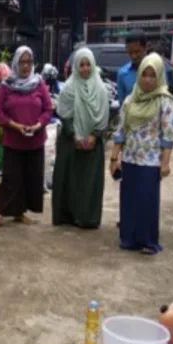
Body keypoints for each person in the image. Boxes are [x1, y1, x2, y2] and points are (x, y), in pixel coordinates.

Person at [110, 53, 173, 254]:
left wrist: (165, 163)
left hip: (151, 161)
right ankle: (129, 239)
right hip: (130, 158)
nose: (147, 80)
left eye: (152, 75)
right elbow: (121, 131)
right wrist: (114, 158)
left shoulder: (166, 101)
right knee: (129, 200)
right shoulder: (131, 100)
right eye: (144, 75)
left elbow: (168, 135)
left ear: (159, 77)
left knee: (147, 201)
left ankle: (149, 242)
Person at [0, 46, 53, 230]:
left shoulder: (38, 83)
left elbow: (48, 109)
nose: (25, 66)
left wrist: (39, 125)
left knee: (29, 178)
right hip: (14, 141)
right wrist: (15, 126)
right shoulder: (6, 85)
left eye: (28, 62)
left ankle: (19, 213)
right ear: (15, 63)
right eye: (22, 62)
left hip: (35, 140)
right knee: (10, 178)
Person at [52, 47, 109, 229]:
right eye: (81, 65)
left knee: (89, 183)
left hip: (93, 143)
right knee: (70, 180)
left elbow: (102, 116)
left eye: (87, 65)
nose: (84, 69)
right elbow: (65, 114)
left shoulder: (100, 89)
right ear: (76, 66)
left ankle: (87, 218)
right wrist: (73, 135)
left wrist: (94, 135)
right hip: (70, 142)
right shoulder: (69, 87)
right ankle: (68, 216)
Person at [116, 30, 148, 104]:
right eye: (130, 52)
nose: (133, 56)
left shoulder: (157, 71)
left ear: (146, 47)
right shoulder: (122, 74)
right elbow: (122, 104)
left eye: (137, 51)